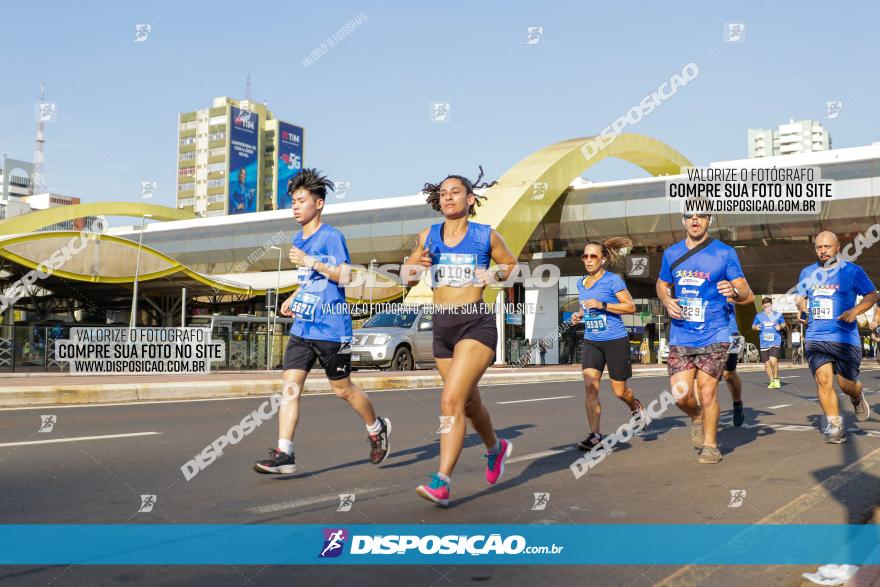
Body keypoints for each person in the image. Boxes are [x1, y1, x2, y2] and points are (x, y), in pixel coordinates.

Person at [253, 168, 391, 474]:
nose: (295, 206)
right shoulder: (297, 238)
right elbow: (310, 279)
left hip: (332, 328)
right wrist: (293, 296)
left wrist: (310, 261)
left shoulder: (331, 237)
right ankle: (285, 453)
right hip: (304, 326)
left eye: (302, 200)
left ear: (319, 204)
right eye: (293, 201)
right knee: (290, 387)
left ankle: (376, 426)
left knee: (342, 389)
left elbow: (345, 275)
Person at [404, 168, 517, 507]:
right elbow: (408, 280)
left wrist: (493, 272)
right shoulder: (428, 235)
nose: (448, 196)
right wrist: (416, 264)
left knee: (450, 401)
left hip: (475, 324)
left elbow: (511, 265)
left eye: (455, 191)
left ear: (470, 199)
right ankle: (496, 448)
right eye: (442, 193)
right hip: (442, 327)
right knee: (469, 404)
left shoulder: (486, 235)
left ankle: (442, 481)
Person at [656, 213, 755, 464]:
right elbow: (661, 283)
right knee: (680, 395)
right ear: (683, 221)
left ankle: (711, 446)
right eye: (690, 216)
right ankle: (698, 417)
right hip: (681, 332)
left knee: (708, 390)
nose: (695, 220)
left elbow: (748, 294)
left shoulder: (724, 253)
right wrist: (666, 299)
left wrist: (733, 291)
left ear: (710, 220)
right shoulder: (672, 253)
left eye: (701, 216)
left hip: (716, 331)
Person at [795, 231, 876, 444]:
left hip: (844, 338)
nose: (822, 251)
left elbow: (872, 295)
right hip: (816, 335)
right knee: (823, 380)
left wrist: (855, 311)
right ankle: (834, 425)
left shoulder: (853, 271)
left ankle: (857, 395)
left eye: (827, 247)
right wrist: (801, 304)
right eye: (819, 247)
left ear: (837, 247)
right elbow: (800, 296)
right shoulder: (807, 273)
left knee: (846, 385)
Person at [570, 237, 648, 451]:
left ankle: (635, 406)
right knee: (590, 386)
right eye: (584, 256)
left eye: (593, 256)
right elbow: (588, 309)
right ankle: (595, 436)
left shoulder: (613, 280)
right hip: (592, 340)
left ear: (603, 259)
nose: (588, 260)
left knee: (619, 391)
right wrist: (580, 315)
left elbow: (630, 307)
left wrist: (603, 304)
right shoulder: (581, 282)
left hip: (615, 341)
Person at [752, 297, 786, 389]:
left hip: (775, 340)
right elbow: (753, 326)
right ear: (762, 306)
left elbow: (783, 323)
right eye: (765, 306)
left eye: (769, 306)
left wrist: (780, 326)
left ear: (771, 305)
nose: (767, 308)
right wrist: (756, 328)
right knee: (767, 364)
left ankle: (776, 379)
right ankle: (771, 381)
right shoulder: (759, 316)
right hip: (764, 343)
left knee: (773, 360)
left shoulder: (778, 315)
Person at [723, 302, 746, 427]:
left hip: (731, 333)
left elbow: (745, 295)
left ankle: (737, 405)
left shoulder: (727, 282)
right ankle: (700, 417)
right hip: (703, 333)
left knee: (729, 373)